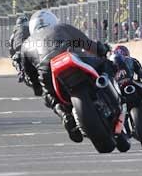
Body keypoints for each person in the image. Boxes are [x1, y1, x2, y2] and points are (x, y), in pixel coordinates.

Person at [19, 10, 113, 143]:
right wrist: (102, 49)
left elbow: (30, 75)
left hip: (47, 70)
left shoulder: (26, 45)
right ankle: (111, 92)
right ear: (52, 20)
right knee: (106, 64)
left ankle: (65, 115)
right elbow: (89, 45)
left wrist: (38, 89)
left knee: (48, 95)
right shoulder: (62, 28)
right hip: (71, 59)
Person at [109, 45, 142, 121]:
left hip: (118, 86)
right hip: (130, 82)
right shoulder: (132, 60)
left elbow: (107, 77)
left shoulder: (109, 62)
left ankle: (109, 114)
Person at [10, 14, 42, 95]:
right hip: (29, 50)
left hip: (20, 52)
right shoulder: (31, 30)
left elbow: (10, 47)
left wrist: (12, 55)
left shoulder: (14, 33)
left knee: (15, 60)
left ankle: (20, 73)